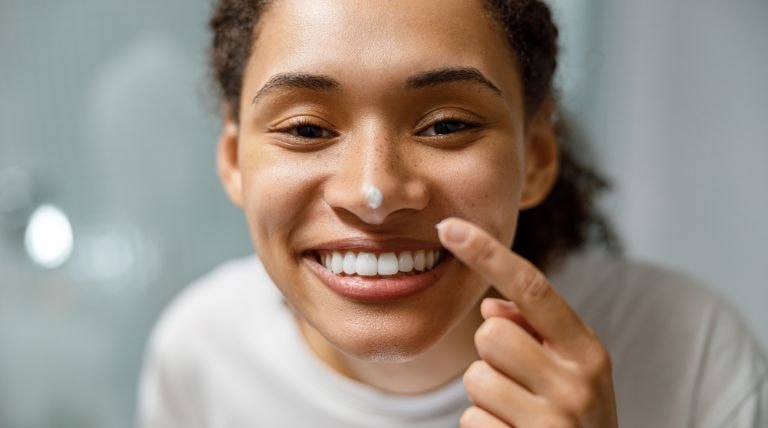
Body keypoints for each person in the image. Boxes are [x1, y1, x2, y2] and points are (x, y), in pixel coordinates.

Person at [137, 0, 768, 426]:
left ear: (537, 155)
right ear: (233, 159)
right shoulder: (199, 353)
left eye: (445, 125)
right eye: (306, 129)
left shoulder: (692, 352)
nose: (373, 191)